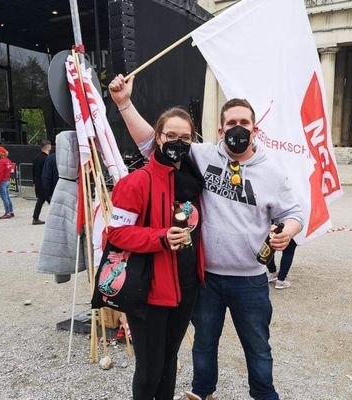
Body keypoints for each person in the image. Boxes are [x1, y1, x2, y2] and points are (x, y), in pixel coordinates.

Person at [109, 75, 303, 400]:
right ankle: (202, 393)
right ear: (220, 130)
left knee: (257, 346)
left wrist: (287, 234)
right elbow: (152, 143)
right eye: (231, 122)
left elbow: (294, 214)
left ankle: (264, 395)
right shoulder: (203, 155)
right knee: (204, 344)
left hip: (251, 280)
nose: (237, 128)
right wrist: (124, 104)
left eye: (244, 122)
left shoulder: (274, 172)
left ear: (255, 130)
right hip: (207, 279)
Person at [107, 106, 205, 400]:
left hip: (186, 286)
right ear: (158, 138)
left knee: (170, 360)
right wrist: (160, 237)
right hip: (150, 288)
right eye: (171, 135)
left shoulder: (194, 180)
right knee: (149, 369)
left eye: (185, 137)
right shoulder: (135, 182)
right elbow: (116, 233)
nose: (178, 142)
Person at [32, 139, 51, 225]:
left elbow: (33, 171)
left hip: (38, 182)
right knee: (49, 200)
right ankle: (35, 218)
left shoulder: (36, 157)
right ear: (47, 147)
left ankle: (35, 218)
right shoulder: (47, 158)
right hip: (44, 183)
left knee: (41, 200)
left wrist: (34, 182)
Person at [0, 146, 15, 219]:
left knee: (4, 198)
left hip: (2, 181)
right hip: (7, 180)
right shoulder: (7, 160)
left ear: (0, 153)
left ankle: (8, 213)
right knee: (7, 197)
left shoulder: (1, 161)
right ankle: (11, 211)